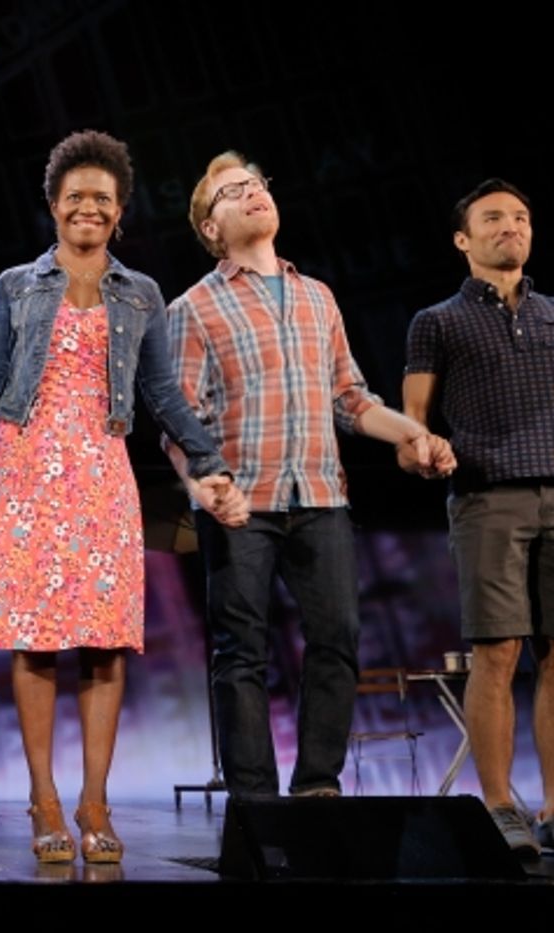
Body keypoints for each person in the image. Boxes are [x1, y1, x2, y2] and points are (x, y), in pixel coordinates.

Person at [0, 130, 244, 864]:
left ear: (119, 212)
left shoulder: (140, 292)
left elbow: (161, 395)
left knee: (107, 641)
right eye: (76, 195)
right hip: (23, 474)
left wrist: (208, 459)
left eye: (103, 198)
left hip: (101, 475)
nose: (89, 206)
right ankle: (44, 799)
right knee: (37, 640)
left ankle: (95, 799)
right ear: (54, 205)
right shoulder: (13, 286)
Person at [166, 150, 452, 801]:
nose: (252, 193)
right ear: (211, 228)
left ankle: (317, 785)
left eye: (257, 184)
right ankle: (255, 802)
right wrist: (200, 483)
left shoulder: (316, 295)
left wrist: (414, 433)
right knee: (242, 652)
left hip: (321, 496)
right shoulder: (195, 308)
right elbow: (180, 418)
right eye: (232, 191)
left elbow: (350, 398)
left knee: (338, 638)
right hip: (243, 502)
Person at [404, 178, 553, 857]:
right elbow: (414, 424)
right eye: (493, 217)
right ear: (464, 238)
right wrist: (423, 452)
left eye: (520, 217)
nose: (510, 227)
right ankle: (499, 805)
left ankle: (553, 806)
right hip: (489, 497)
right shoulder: (438, 320)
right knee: (498, 652)